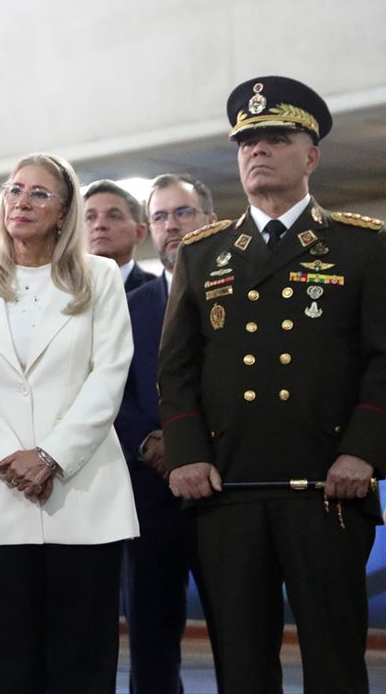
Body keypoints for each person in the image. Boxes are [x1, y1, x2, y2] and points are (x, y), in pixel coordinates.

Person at [160, 76, 386, 694]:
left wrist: (364, 453)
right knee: (240, 663)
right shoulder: (202, 254)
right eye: (247, 143)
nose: (257, 151)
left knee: (336, 661)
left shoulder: (361, 246)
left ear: (311, 156)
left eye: (276, 138)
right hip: (227, 489)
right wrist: (185, 456)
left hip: (327, 486)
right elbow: (177, 367)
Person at [0, 153, 138, 692]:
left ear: (63, 212)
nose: (20, 203)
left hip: (84, 493)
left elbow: (109, 376)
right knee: (11, 661)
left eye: (38, 194)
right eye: (14, 190)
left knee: (83, 659)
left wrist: (50, 456)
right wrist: (10, 456)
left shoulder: (97, 277)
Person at [114, 174, 219, 693]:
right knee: (152, 645)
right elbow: (111, 394)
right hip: (151, 497)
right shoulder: (127, 309)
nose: (172, 225)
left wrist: (195, 451)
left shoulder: (244, 297)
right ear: (149, 229)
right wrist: (156, 447)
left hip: (228, 494)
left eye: (184, 212)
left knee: (241, 635)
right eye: (160, 216)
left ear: (212, 220)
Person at [84, 179, 156, 291]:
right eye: (90, 217)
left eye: (114, 216)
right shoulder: (64, 290)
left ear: (139, 233)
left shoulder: (161, 294)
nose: (99, 225)